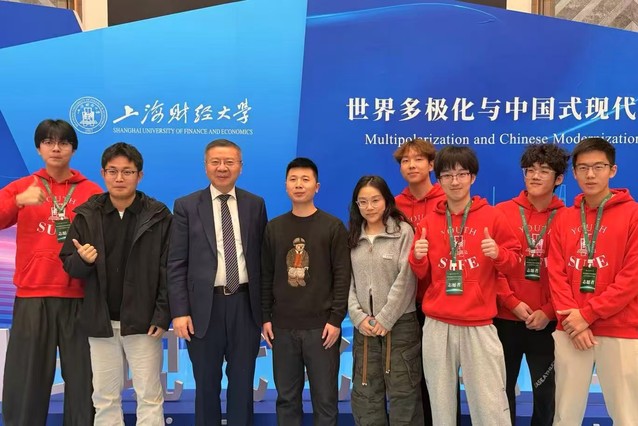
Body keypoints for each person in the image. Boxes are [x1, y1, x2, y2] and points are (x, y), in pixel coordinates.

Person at [59, 142, 171, 425]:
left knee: (149, 396)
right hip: (101, 321)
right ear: (103, 174)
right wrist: (83, 260)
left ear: (139, 175)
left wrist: (162, 314)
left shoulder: (158, 216)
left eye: (127, 172)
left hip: (144, 322)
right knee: (105, 397)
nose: (119, 178)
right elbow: (69, 264)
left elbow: (169, 269)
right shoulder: (87, 214)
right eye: (112, 171)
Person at [409, 146, 520, 426]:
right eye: (447, 175)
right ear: (439, 180)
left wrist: (499, 254)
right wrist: (417, 258)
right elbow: (421, 274)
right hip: (437, 324)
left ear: (473, 177)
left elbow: (515, 264)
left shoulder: (493, 217)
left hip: (478, 324)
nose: (455, 181)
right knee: (441, 408)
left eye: (461, 174)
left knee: (490, 407)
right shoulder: (429, 221)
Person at [0, 119, 101, 425]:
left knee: (84, 384)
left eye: (63, 142)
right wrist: (18, 202)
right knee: (26, 382)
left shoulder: (91, 192)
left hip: (79, 298)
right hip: (33, 297)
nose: (56, 148)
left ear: (73, 149)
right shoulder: (22, 187)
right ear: (38, 148)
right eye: (48, 142)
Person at [168, 139, 267, 426]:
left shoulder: (255, 204)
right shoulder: (186, 206)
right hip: (203, 309)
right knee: (206, 385)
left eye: (229, 162)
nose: (222, 168)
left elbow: (263, 261)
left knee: (242, 384)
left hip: (245, 306)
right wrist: (180, 312)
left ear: (240, 167)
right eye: (215, 162)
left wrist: (266, 313)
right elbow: (176, 262)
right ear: (206, 166)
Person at [548, 137, 638, 425]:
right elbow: (556, 274)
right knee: (565, 414)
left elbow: (632, 277)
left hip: (620, 328)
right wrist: (574, 321)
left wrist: (588, 314)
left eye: (598, 167)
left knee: (627, 415)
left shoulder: (633, 214)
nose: (590, 175)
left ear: (612, 170)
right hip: (571, 330)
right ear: (574, 173)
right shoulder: (563, 218)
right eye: (583, 168)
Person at [261, 157, 351, 425]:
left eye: (305, 179)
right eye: (293, 179)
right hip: (282, 328)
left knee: (325, 400)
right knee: (287, 399)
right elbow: (266, 275)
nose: (299, 185)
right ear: (286, 186)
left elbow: (342, 276)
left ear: (317, 186)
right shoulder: (274, 227)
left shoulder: (333, 226)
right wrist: (265, 317)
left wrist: (336, 319)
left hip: (321, 329)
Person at [494, 144, 569, 426]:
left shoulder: (568, 217)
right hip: (505, 318)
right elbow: (490, 267)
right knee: (501, 391)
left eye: (544, 170)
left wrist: (549, 311)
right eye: (530, 170)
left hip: (548, 322)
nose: (535, 176)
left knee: (546, 394)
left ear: (559, 178)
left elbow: (570, 275)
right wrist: (511, 302)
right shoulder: (501, 213)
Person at [348, 175, 423, 425]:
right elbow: (346, 282)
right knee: (365, 397)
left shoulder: (403, 232)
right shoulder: (352, 236)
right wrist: (358, 317)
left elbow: (407, 279)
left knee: (404, 395)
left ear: (387, 201)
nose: (369, 207)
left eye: (375, 200)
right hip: (365, 328)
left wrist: (385, 318)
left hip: (400, 326)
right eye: (363, 202)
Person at [392, 138, 452, 426]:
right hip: (405, 305)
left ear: (431, 165)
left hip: (440, 303)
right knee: (409, 377)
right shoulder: (394, 205)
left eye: (418, 159)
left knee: (441, 381)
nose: (411, 165)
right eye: (405, 160)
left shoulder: (447, 200)